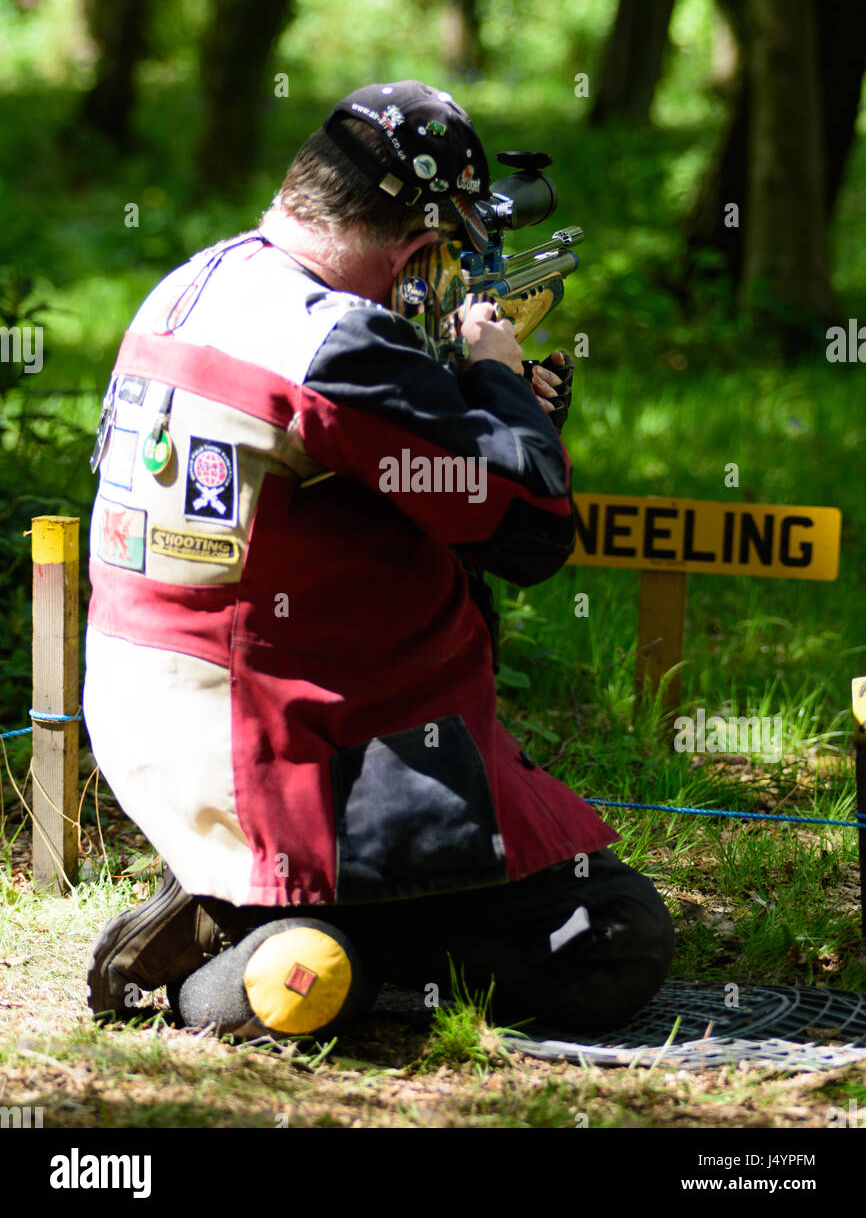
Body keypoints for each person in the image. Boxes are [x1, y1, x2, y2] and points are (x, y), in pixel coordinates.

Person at [84, 80, 673, 1036]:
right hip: (289, 739)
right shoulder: (336, 342)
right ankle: (278, 942)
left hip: (170, 712)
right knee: (608, 935)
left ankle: (262, 916)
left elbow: (372, 480)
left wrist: (476, 399)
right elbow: (527, 528)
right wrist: (496, 376)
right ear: (418, 249)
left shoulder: (199, 283)